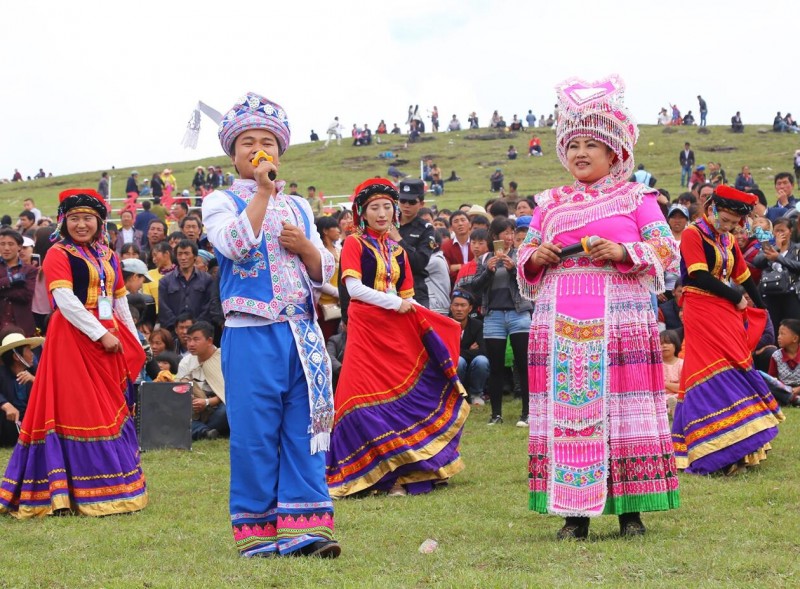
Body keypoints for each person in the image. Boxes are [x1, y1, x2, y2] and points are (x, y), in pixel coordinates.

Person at [518, 75, 680, 540]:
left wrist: (623, 253)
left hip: (621, 320)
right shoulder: (548, 203)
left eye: (593, 144)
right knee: (570, 415)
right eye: (574, 145)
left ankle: (631, 513)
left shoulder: (636, 198)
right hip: (561, 324)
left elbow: (666, 249)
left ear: (616, 154)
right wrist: (537, 257)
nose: (581, 153)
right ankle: (575, 516)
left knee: (623, 412)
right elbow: (524, 254)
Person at [202, 92, 339, 557]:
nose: (258, 150)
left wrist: (304, 247)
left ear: (280, 151)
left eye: (267, 142)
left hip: (301, 332)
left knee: (305, 427)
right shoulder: (218, 201)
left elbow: (327, 270)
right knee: (254, 433)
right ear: (233, 154)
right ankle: (257, 535)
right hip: (250, 331)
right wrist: (262, 192)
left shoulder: (299, 207)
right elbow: (235, 244)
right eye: (248, 143)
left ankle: (306, 528)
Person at [0, 188, 146, 518]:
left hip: (108, 335)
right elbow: (65, 301)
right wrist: (99, 334)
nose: (82, 225)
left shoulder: (108, 255)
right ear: (65, 221)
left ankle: (113, 483)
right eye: (75, 219)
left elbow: (120, 300)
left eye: (88, 219)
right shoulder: (57, 254)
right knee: (80, 408)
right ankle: (72, 491)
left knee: (110, 405)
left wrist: (133, 339)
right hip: (74, 336)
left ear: (99, 221)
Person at [325, 178, 469, 498]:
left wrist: (434, 321)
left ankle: (404, 468)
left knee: (400, 394)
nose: (382, 213)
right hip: (366, 328)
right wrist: (396, 303)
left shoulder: (397, 249)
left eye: (387, 207)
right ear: (362, 212)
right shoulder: (354, 244)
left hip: (394, 328)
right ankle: (372, 473)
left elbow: (409, 296)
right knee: (358, 395)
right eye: (374, 207)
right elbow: (355, 289)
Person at [673, 184, 784, 476]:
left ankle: (739, 442)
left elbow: (744, 275)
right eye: (728, 220)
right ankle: (714, 447)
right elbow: (696, 274)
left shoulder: (726, 239)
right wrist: (735, 296)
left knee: (736, 364)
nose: (732, 227)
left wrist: (761, 307)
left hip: (725, 311)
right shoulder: (692, 234)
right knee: (709, 367)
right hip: (701, 308)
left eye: (736, 223)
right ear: (712, 208)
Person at [471, 216, 531, 427]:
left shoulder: (522, 255)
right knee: (495, 366)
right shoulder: (485, 258)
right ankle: (496, 414)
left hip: (518, 314)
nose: (509, 237)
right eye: (504, 233)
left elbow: (529, 283)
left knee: (523, 364)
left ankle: (527, 413)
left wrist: (514, 268)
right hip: (493, 315)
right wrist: (488, 270)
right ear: (495, 236)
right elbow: (475, 287)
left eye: (511, 233)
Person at [176, 321, 229, 440]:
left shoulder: (224, 358)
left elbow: (231, 392)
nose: (191, 344)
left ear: (209, 341)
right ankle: (206, 431)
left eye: (196, 339)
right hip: (194, 410)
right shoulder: (186, 361)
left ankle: (200, 430)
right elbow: (178, 389)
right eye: (188, 340)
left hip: (217, 406)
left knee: (228, 410)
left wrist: (207, 402)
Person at [390, 178, 437, 308]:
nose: (406, 205)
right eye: (403, 201)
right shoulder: (388, 222)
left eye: (411, 202)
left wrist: (398, 240)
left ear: (421, 204)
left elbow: (419, 263)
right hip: (388, 288)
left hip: (414, 289)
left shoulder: (426, 229)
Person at [753, 217, 800, 335]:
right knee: (773, 328)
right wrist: (775, 248)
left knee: (793, 328)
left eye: (782, 230)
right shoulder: (768, 247)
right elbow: (757, 262)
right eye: (777, 231)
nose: (779, 234)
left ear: (790, 230)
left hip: (791, 293)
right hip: (770, 293)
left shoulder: (797, 248)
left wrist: (778, 258)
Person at [0, 328, 43, 446]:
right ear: (16, 356)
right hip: (10, 426)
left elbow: (52, 390)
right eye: (28, 350)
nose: (32, 354)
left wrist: (34, 380)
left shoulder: (35, 370)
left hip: (32, 422)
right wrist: (5, 404)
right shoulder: (2, 374)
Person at [158, 239, 213, 331]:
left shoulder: (207, 279)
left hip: (200, 331)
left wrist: (196, 327)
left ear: (194, 256)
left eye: (187, 253)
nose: (183, 258)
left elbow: (208, 306)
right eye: (180, 254)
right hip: (173, 332)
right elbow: (164, 308)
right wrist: (178, 327)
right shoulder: (165, 281)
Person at [450, 289, 488, 405]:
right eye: (456, 305)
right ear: (451, 307)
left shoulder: (478, 325)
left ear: (470, 308)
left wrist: (459, 351)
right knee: (459, 361)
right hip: (453, 368)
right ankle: (456, 395)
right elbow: (445, 352)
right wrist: (469, 351)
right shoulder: (444, 324)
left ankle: (476, 394)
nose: (459, 309)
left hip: (473, 368)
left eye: (463, 305)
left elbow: (483, 351)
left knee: (482, 360)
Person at [0, 229, 37, 336]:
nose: (6, 248)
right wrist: (12, 280)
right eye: (2, 244)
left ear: (19, 247)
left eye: (11, 244)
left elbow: (26, 295)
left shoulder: (30, 270)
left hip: (22, 327)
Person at [315, 215, 341, 341]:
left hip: (341, 303)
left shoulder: (340, 250)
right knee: (327, 338)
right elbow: (318, 281)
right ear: (325, 231)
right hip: (324, 305)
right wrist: (338, 293)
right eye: (334, 227)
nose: (339, 230)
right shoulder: (319, 253)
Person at [768, 318, 800, 406]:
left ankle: (790, 400)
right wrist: (784, 388)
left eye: (782, 334)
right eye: (779, 334)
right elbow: (772, 379)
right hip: (784, 389)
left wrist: (797, 389)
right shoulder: (776, 356)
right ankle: (793, 399)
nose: (778, 337)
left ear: (795, 338)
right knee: (766, 383)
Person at [661, 330, 683, 418]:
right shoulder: (655, 366)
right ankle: (671, 410)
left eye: (668, 342)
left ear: (675, 345)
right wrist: (673, 387)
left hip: (678, 396)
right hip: (661, 398)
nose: (664, 345)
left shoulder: (682, 363)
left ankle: (673, 409)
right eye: (661, 343)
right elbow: (655, 388)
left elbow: (683, 387)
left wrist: (664, 384)